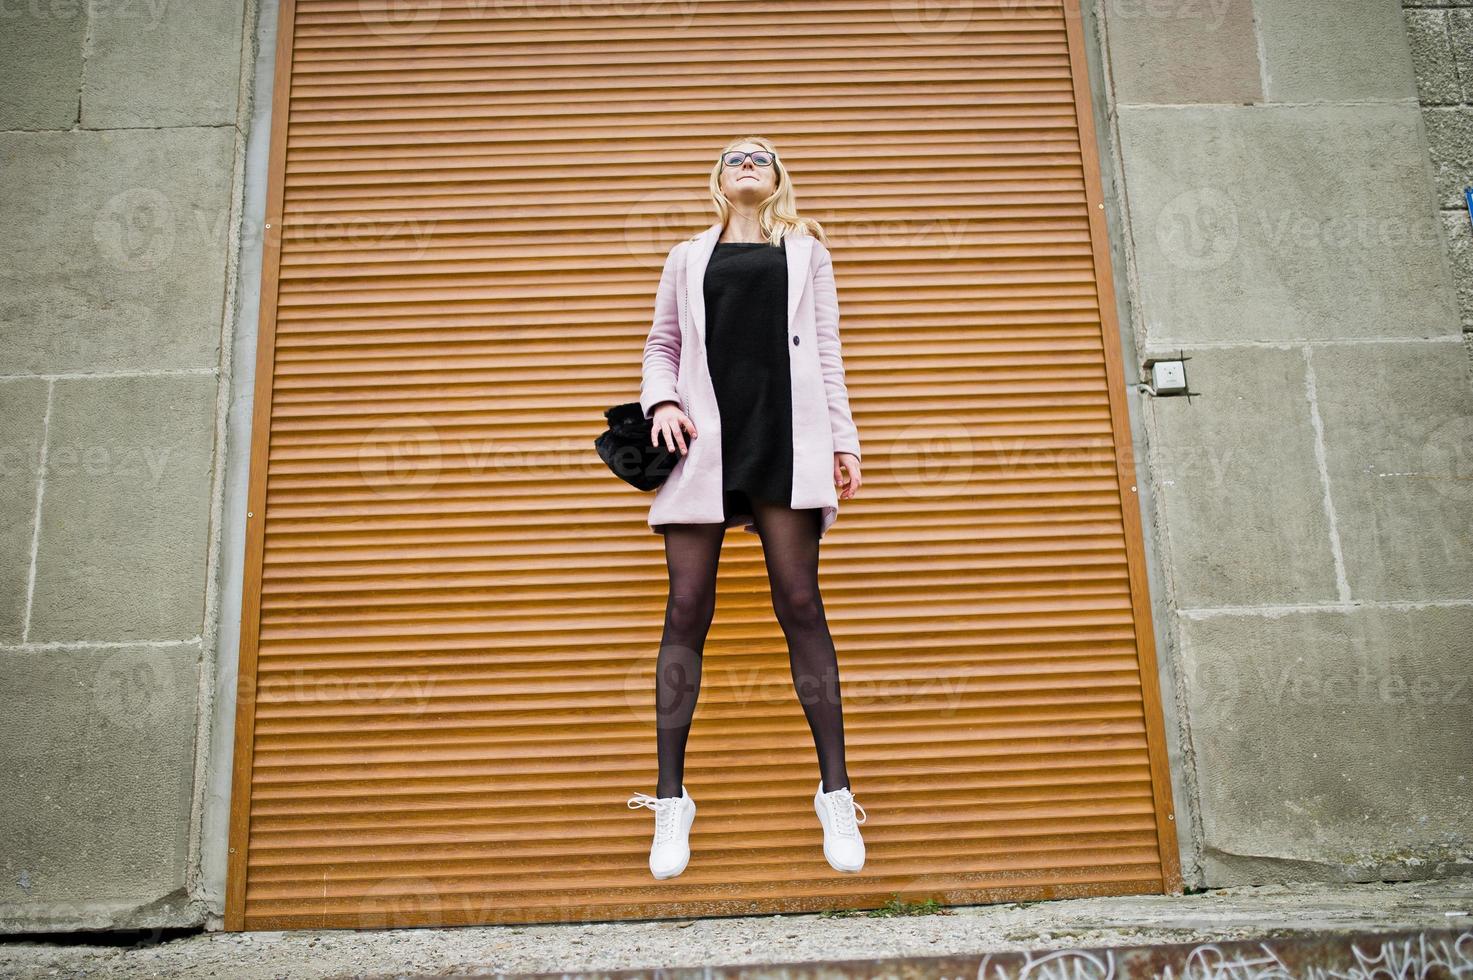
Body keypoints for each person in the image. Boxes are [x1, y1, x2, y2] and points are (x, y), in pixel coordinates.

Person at [624, 137, 867, 880]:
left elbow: (826, 350)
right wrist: (661, 400)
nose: (747, 162)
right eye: (734, 157)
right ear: (719, 180)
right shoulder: (685, 257)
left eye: (760, 156)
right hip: (702, 443)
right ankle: (672, 800)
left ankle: (835, 791)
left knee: (799, 601)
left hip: (785, 440)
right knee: (685, 609)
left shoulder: (805, 252)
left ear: (777, 178)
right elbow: (661, 344)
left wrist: (844, 440)